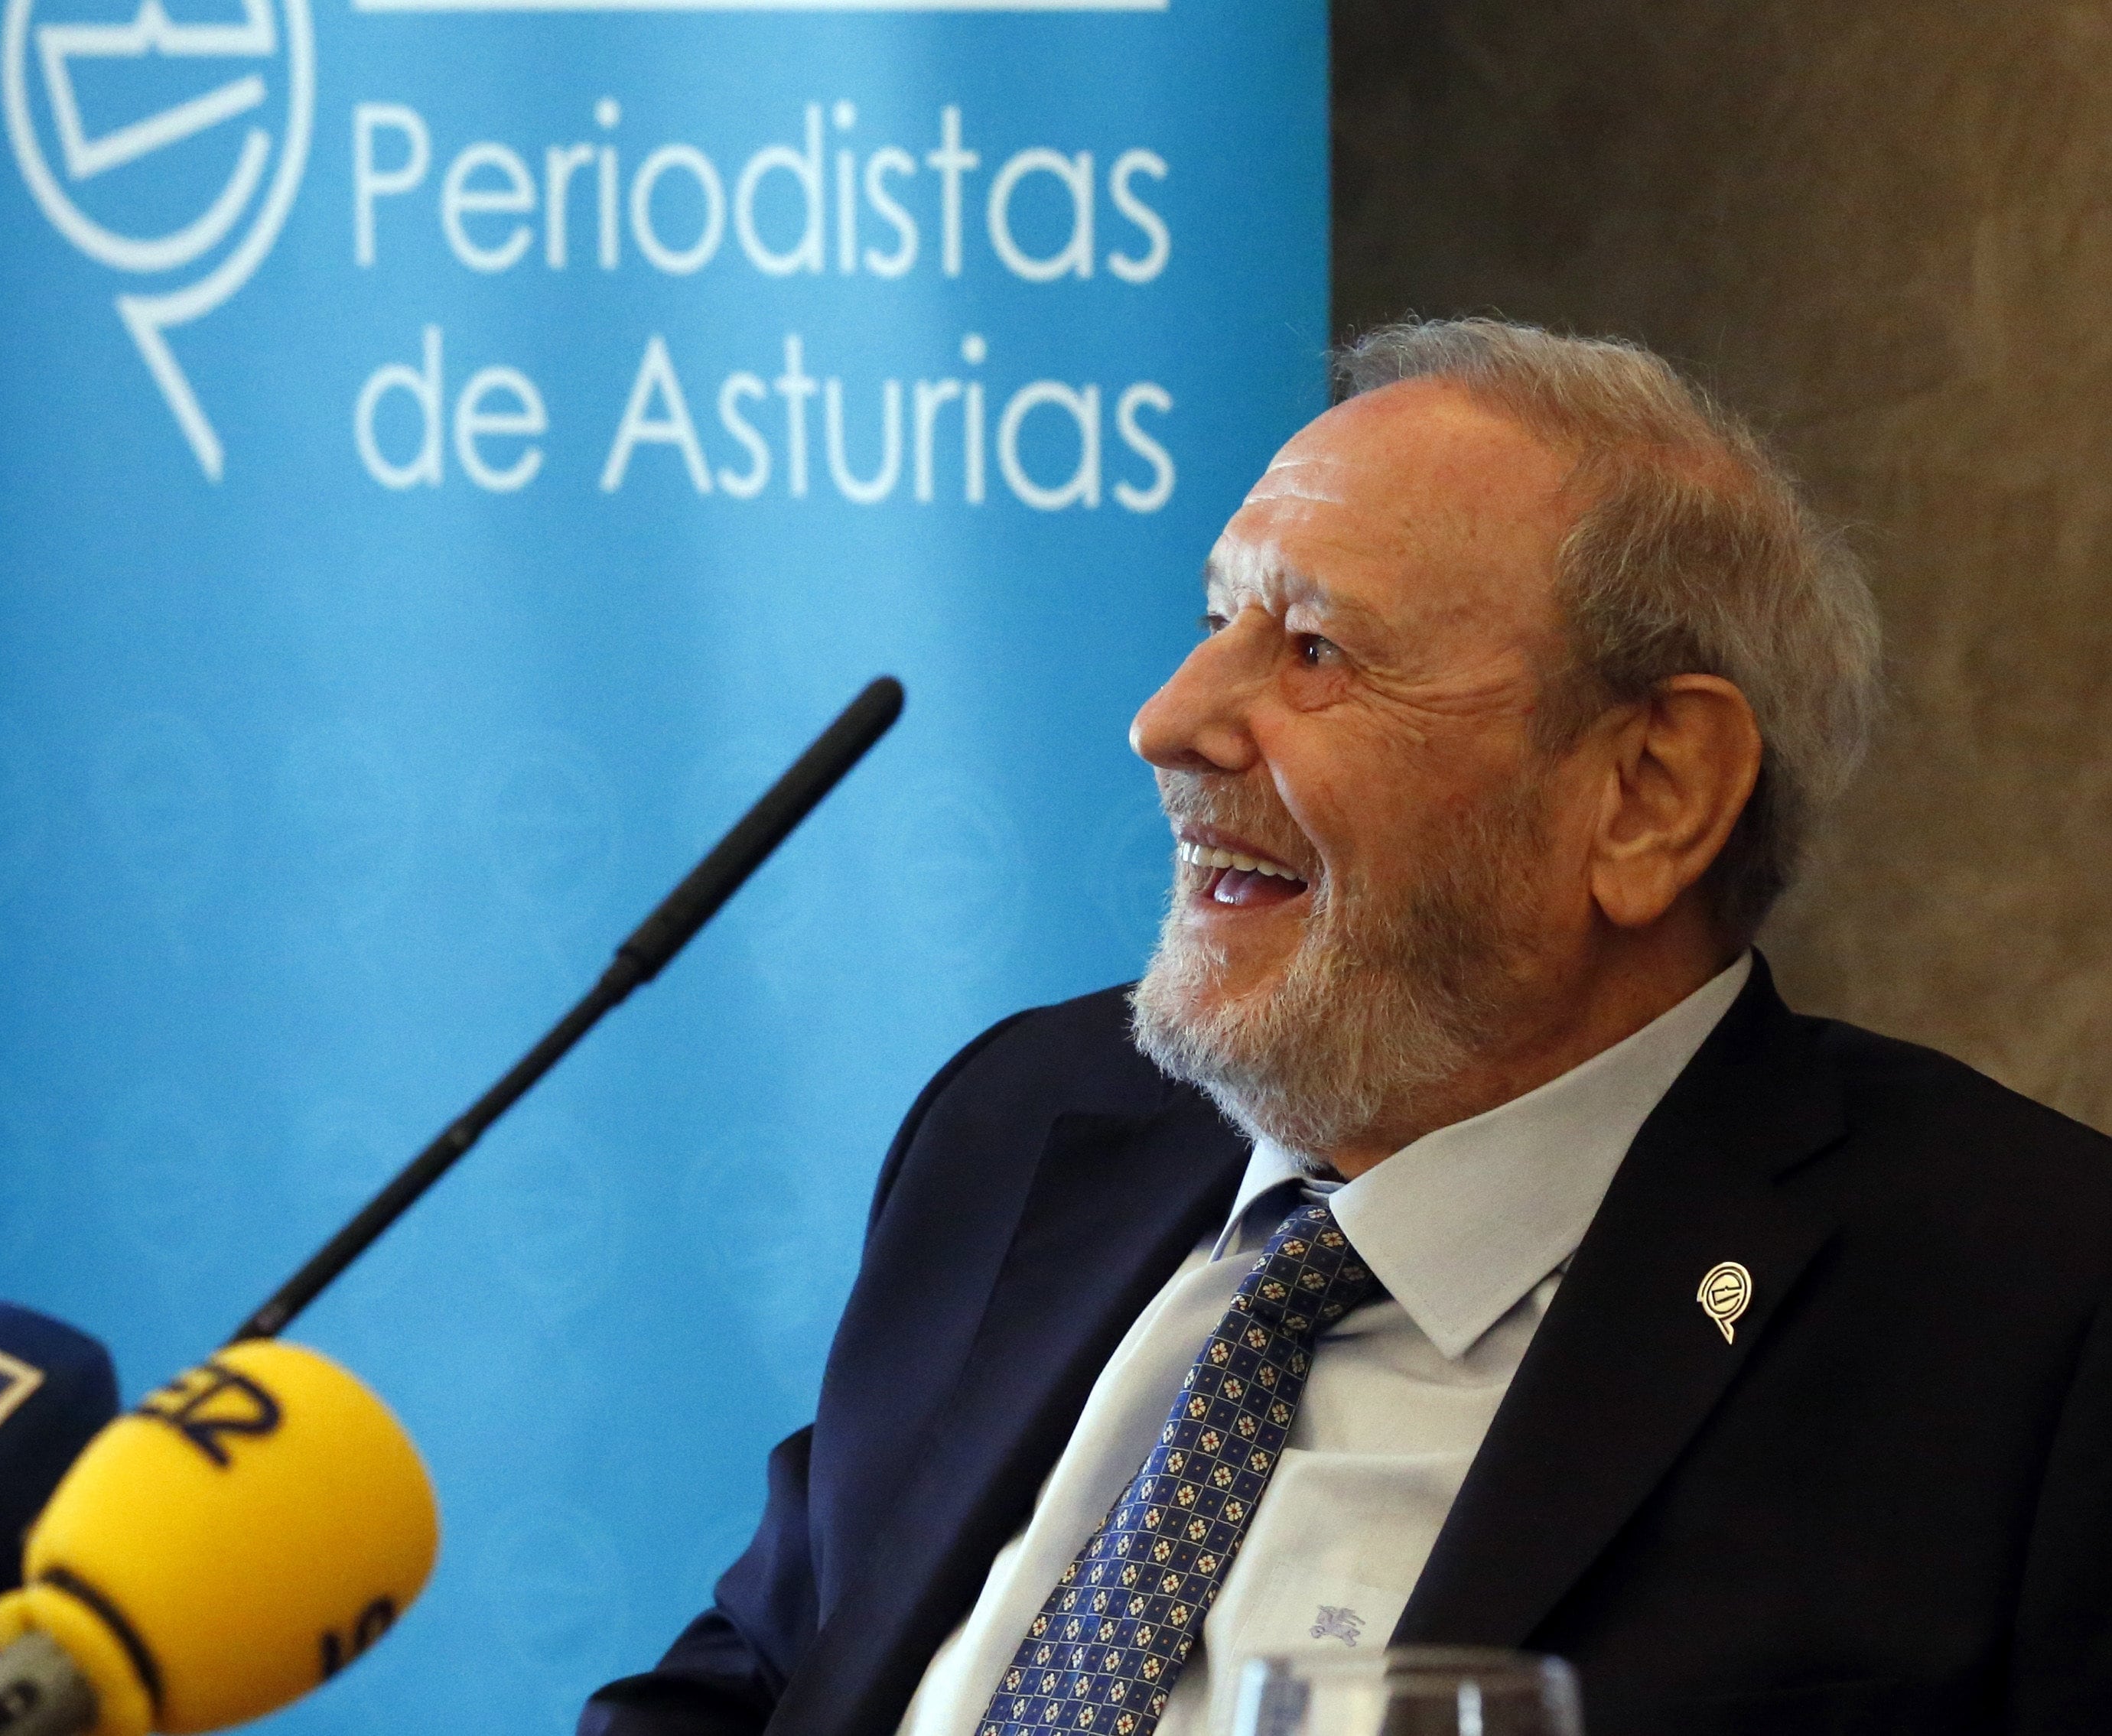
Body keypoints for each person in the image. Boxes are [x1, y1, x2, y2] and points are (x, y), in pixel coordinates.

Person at [580, 320, 2112, 1736]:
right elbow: (764, 1679)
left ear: (1648, 794)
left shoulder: (2025, 1311)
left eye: (1313, 649)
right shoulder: (1025, 1126)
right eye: (1214, 620)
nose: (1168, 718)